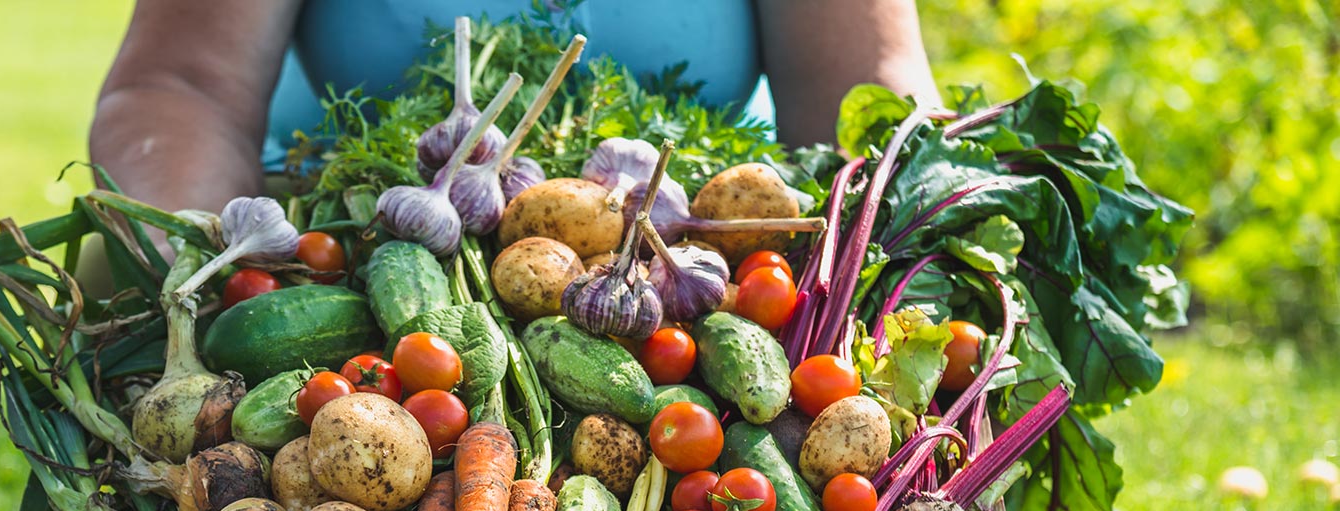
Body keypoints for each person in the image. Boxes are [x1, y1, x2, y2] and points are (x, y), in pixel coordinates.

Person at [90, 0, 938, 216]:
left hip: (683, 256)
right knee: (113, 264)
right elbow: (178, 89)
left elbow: (869, 102)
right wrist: (204, 271)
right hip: (352, 245)